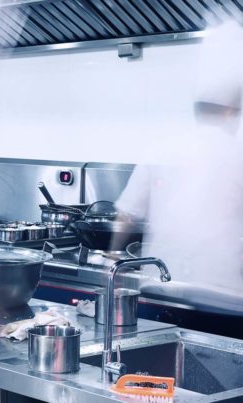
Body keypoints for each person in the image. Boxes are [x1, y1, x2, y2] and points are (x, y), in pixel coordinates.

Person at [116, 21, 243, 300]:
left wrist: (114, 263)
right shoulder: (238, 155)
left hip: (160, 287)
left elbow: (125, 217)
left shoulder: (163, 146)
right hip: (223, 297)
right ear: (230, 111)